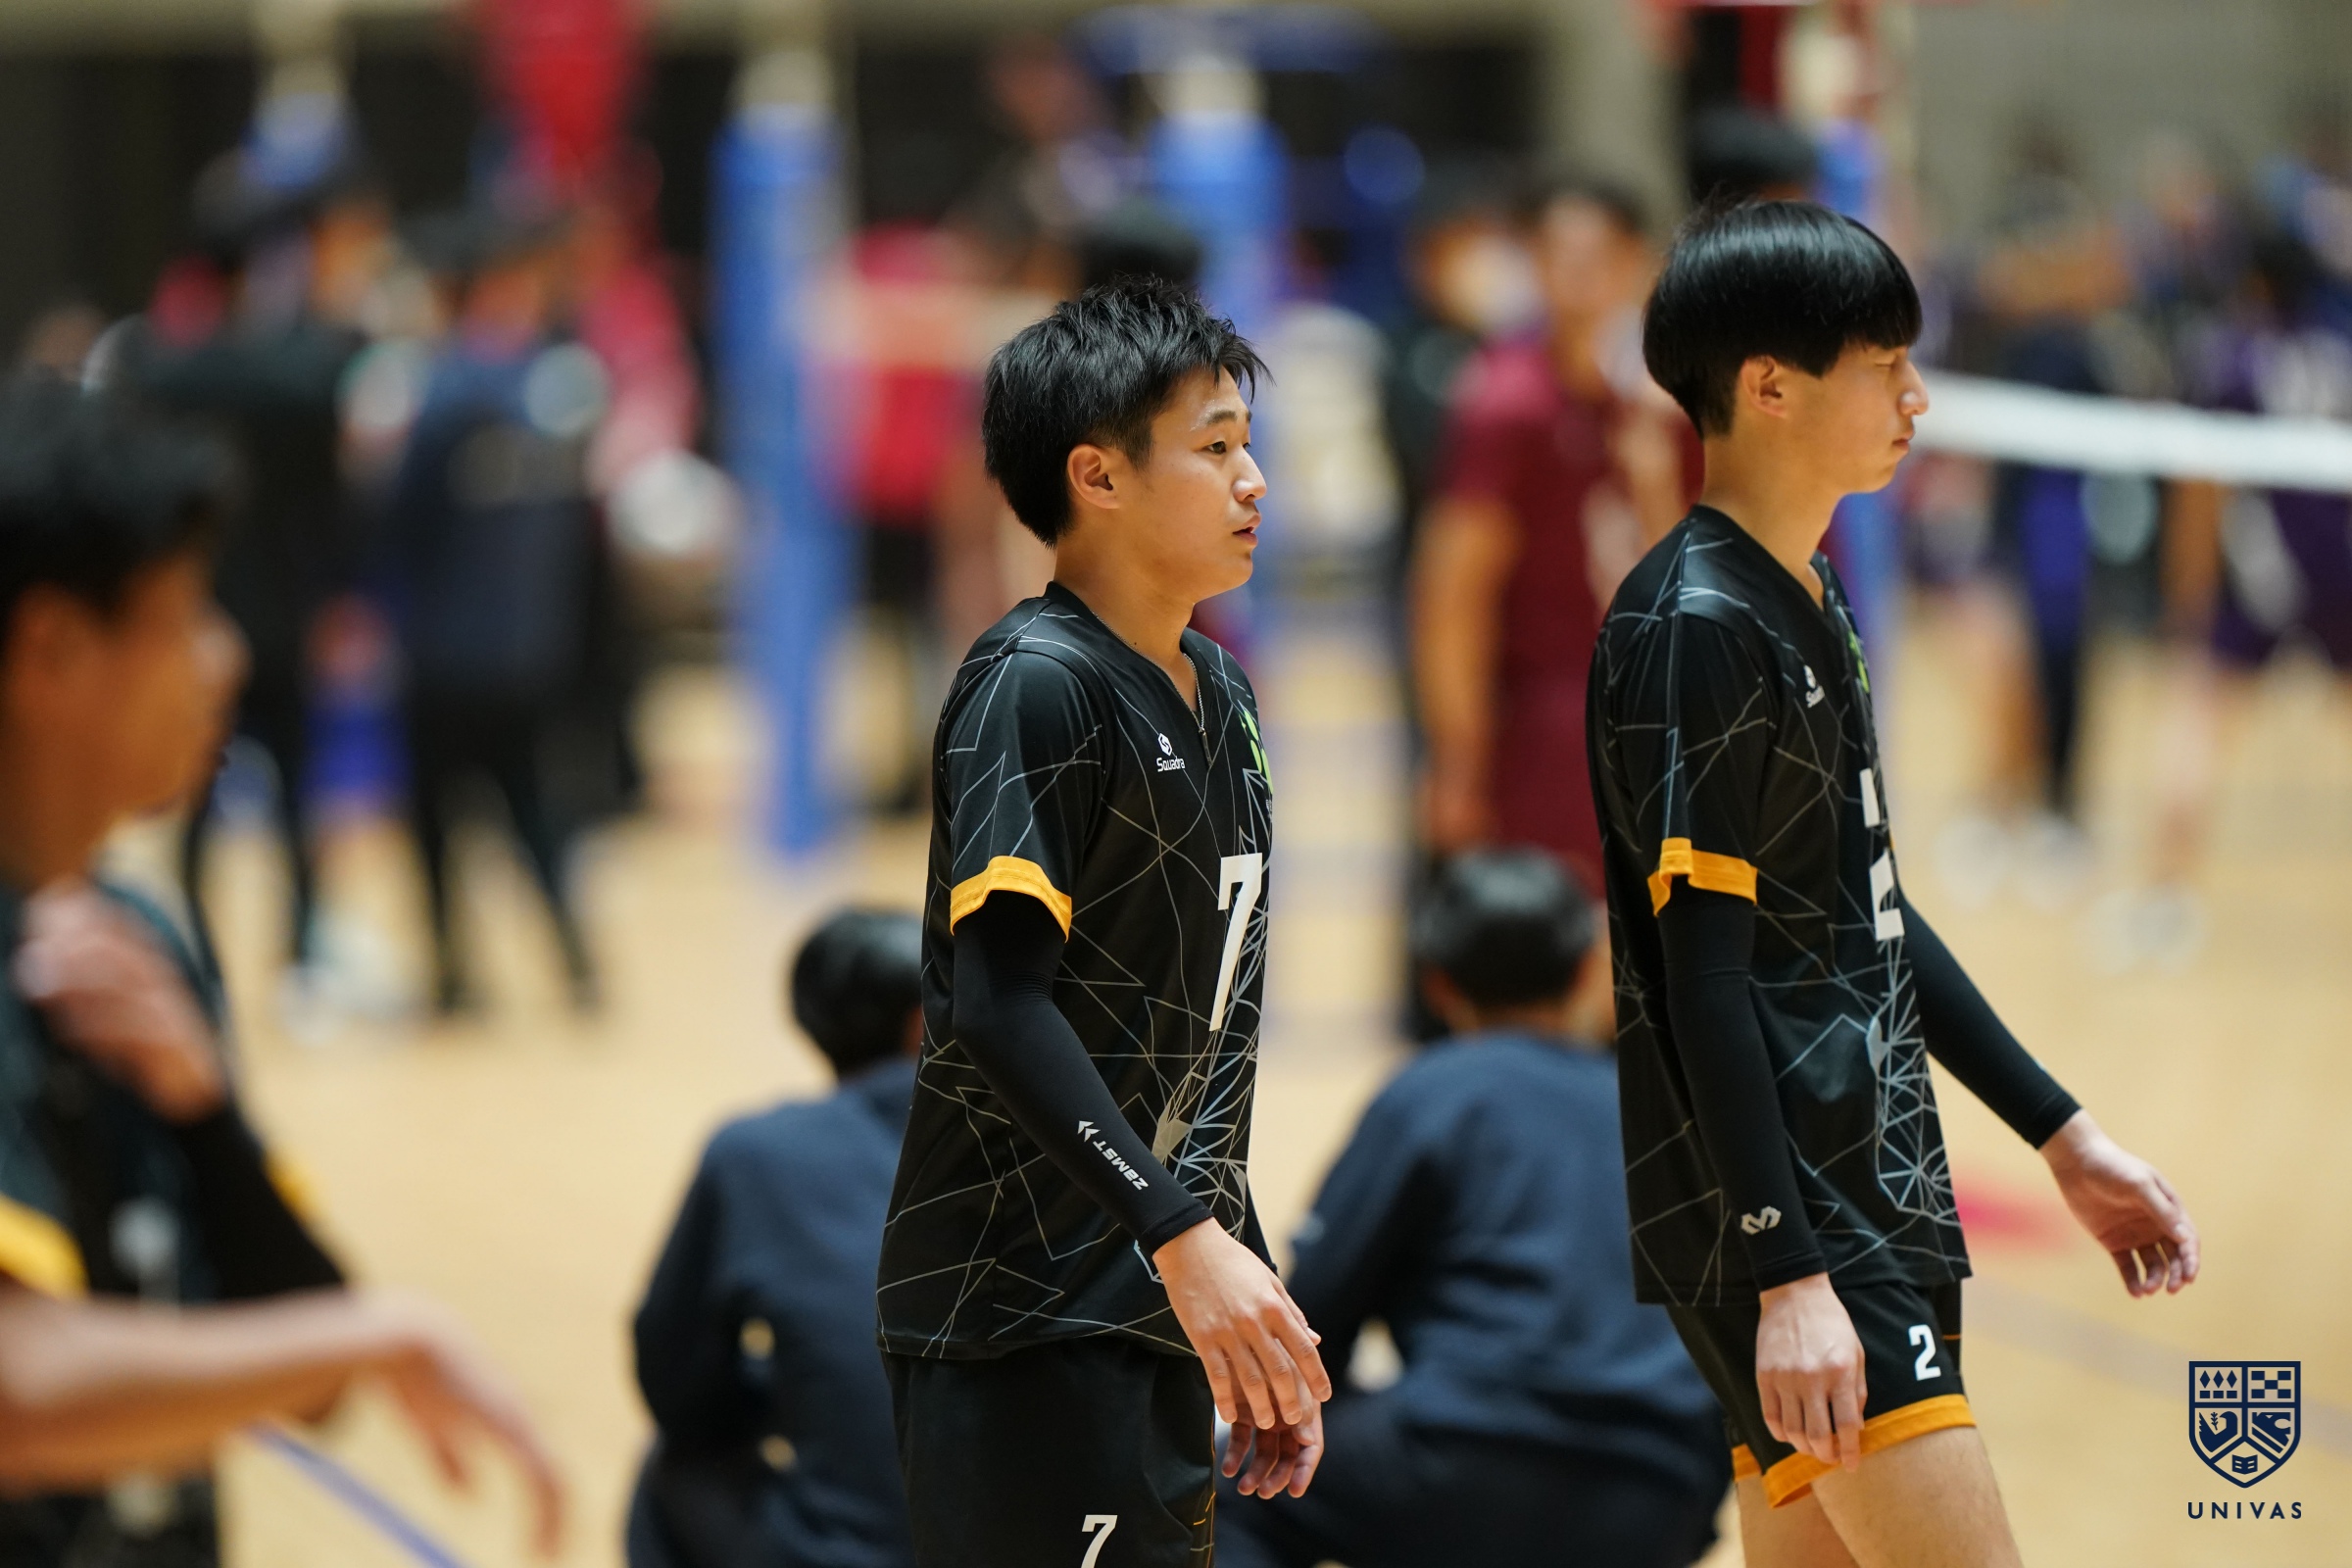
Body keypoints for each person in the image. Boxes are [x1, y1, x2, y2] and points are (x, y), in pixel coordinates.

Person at [1587, 200, 2199, 1567]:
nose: (1917, 397)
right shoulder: (1696, 625)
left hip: (1870, 1188)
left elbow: (1865, 910)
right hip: (1806, 1226)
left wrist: (2061, 1133)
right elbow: (1704, 977)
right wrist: (1788, 1270)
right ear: (1770, 387)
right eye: (1886, 365)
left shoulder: (1805, 592)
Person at [0, 373, 562, 1561]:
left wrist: (202, 1111)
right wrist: (382, 1334)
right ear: (51, 648)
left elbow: (305, 1371)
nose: (223, 659)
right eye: (183, 617)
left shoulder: (139, 941)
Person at [876, 276, 1328, 1568]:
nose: (1253, 482)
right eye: (1215, 448)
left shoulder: (1223, 692)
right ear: (1099, 476)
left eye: (1249, 446)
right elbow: (996, 1003)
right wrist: (1183, 1238)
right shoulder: (1035, 685)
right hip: (1023, 1313)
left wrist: (1240, 1283)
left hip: (1153, 1294)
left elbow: (1199, 1031)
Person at [1214, 850, 1729, 1568]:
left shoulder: (1431, 1092)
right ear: (1588, 970)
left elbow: (1313, 1326)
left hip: (1463, 1459)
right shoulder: (1659, 1114)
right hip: (1661, 1492)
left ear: (1438, 982)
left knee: (1240, 1482)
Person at [1410, 173, 1694, 1037]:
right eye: (1558, 254)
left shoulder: (1661, 406)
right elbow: (1452, 597)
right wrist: (1458, 759)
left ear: (1638, 264)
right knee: (1542, 976)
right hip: (1542, 728)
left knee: (1653, 979)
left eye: (1599, 255)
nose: (1578, 274)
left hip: (1650, 720)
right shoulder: (1507, 402)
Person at [628, 909, 923, 1568]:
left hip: (855, 1555)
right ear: (922, 1021)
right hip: (1092, 1538)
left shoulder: (757, 1153)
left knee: (672, 1465)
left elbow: (674, 1378)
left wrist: (783, 1395)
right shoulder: (1067, 1134)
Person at [379, 210, 604, 1015]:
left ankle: (451, 974)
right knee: (533, 809)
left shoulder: (440, 391)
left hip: (444, 648)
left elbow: (400, 515)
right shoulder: (557, 386)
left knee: (438, 818)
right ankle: (574, 963)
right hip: (524, 648)